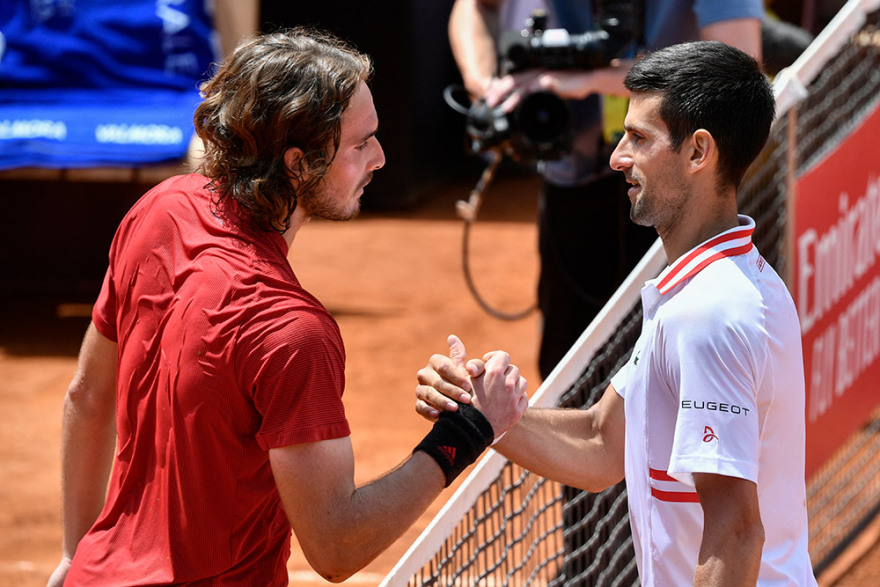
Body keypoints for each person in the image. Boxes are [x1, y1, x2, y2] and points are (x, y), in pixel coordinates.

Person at [48, 28, 529, 586]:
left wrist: (72, 553)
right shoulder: (292, 332)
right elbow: (335, 546)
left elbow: (87, 395)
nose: (379, 157)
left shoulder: (158, 209)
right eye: (359, 143)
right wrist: (467, 431)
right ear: (299, 163)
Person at [416, 41, 818, 585]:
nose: (617, 157)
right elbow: (602, 443)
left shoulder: (710, 313)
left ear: (699, 152)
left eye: (639, 138)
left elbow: (735, 531)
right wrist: (482, 414)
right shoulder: (707, 288)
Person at [449, 0, 764, 379]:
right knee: (566, 360)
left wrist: (590, 81)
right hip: (569, 177)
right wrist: (485, 86)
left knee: (672, 363)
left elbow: (739, 73)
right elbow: (473, 7)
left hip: (678, 193)